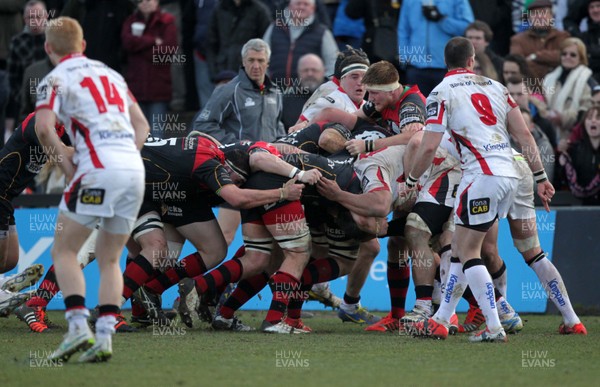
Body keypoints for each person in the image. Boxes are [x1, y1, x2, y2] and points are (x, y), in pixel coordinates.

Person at [406, 36, 554, 343]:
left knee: (471, 252)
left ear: (446, 62)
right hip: (512, 173)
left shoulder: (440, 92)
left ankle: (495, 324)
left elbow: (428, 144)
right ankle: (442, 320)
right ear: (472, 60)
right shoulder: (496, 87)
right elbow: (525, 135)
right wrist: (541, 177)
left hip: (480, 176)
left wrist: (411, 180)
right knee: (462, 250)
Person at [35, 17, 149, 362]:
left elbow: (43, 129)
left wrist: (69, 167)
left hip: (97, 170)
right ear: (83, 45)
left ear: (48, 48)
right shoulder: (112, 74)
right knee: (110, 256)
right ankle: (103, 338)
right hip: (133, 170)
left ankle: (76, 329)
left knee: (64, 251)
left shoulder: (54, 79)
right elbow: (141, 125)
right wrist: (126, 159)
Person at [194, 38, 285, 247]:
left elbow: (277, 127)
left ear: (268, 63)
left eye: (260, 60)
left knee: (269, 240)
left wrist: (283, 143)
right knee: (225, 236)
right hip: (236, 172)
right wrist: (237, 145)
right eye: (251, 60)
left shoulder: (276, 93)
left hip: (267, 174)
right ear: (242, 62)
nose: (255, 66)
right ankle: (209, 279)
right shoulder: (228, 90)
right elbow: (202, 126)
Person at [121, 0, 177, 139]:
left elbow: (167, 50)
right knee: (138, 135)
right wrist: (152, 41)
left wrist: (138, 47)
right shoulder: (130, 20)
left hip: (158, 87)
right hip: (136, 87)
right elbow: (127, 43)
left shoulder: (167, 21)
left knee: (158, 136)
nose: (145, 2)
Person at [398, 0, 474, 96]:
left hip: (447, 67)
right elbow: (403, 31)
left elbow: (467, 27)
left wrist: (442, 19)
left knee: (447, 107)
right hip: (416, 67)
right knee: (418, 108)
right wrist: (405, 60)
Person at [262, 0, 338, 83]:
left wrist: (322, 87)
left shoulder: (323, 33)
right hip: (274, 90)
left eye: (306, 4)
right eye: (298, 3)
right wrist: (266, 82)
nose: (301, 7)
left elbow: (332, 63)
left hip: (311, 92)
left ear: (313, 8)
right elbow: (262, 57)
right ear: (289, 7)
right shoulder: (274, 28)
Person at [6, 0, 48, 138]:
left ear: (46, 16)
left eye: (38, 17)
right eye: (31, 17)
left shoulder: (54, 40)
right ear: (24, 19)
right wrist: (26, 98)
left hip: (53, 102)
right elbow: (13, 78)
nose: (35, 21)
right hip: (26, 106)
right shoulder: (18, 42)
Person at [543, 37, 598, 142]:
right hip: (548, 132)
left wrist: (563, 118)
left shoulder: (588, 81)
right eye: (564, 54)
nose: (567, 57)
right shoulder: (550, 78)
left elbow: (586, 112)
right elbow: (541, 100)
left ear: (581, 58)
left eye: (573, 55)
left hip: (573, 137)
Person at [205, 0, 272, 82]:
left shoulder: (259, 10)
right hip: (223, 73)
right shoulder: (220, 9)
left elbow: (267, 46)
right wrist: (214, 73)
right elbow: (211, 44)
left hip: (249, 75)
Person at [509, 0, 570, 81]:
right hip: (530, 86)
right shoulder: (518, 40)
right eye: (535, 13)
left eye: (544, 12)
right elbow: (517, 65)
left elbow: (564, 57)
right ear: (529, 18)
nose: (540, 17)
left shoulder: (563, 36)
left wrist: (535, 56)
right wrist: (550, 62)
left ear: (551, 16)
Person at [559, 106, 600, 205]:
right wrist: (561, 163)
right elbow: (561, 181)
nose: (593, 121)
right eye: (589, 118)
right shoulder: (574, 150)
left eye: (598, 118)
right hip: (581, 206)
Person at [281, 53, 327, 130]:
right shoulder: (286, 99)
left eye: (314, 70)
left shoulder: (335, 94)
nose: (310, 74)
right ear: (298, 72)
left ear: (324, 71)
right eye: (305, 70)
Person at [580, 1, 600, 83]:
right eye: (591, 7)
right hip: (591, 79)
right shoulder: (585, 36)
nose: (595, 10)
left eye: (598, 6)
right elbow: (584, 61)